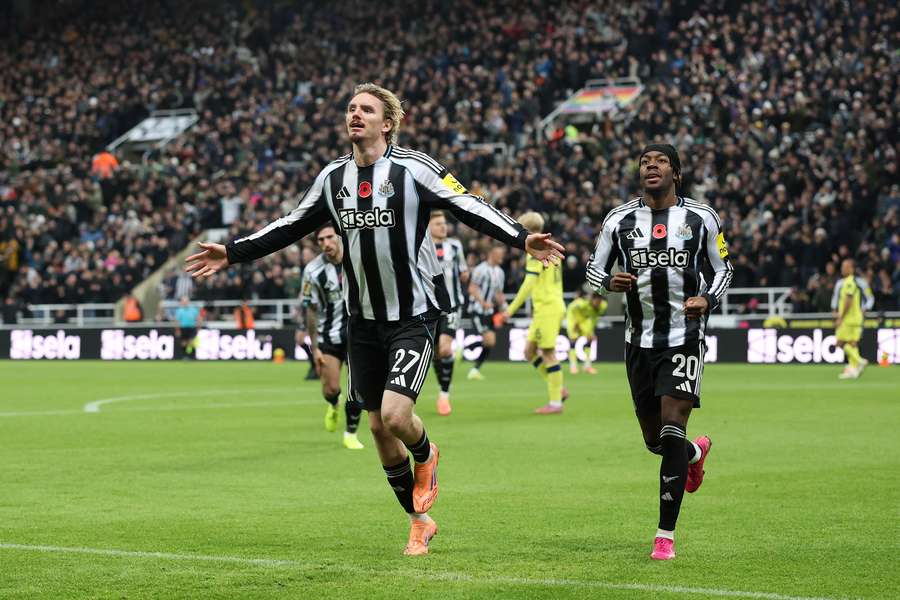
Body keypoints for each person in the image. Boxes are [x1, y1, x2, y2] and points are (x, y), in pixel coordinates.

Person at [185, 82, 563, 556]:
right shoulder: (332, 179)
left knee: (395, 414)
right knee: (380, 430)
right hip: (361, 321)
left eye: (366, 109)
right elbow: (290, 224)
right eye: (350, 108)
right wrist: (234, 252)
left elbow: (468, 203)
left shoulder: (415, 169)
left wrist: (518, 238)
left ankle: (427, 453)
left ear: (388, 124)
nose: (355, 114)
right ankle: (419, 521)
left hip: (412, 315)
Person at [585, 144, 733, 560]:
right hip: (638, 341)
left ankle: (664, 535)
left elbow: (723, 269)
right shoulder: (619, 219)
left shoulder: (702, 218)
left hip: (684, 337)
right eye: (645, 161)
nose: (651, 166)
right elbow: (593, 270)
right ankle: (694, 454)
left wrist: (708, 299)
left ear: (677, 173)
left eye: (661, 161)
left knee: (672, 426)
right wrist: (608, 282)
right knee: (656, 441)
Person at [301, 223, 365, 449]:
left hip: (359, 334)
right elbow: (310, 309)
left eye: (330, 237)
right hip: (329, 337)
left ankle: (350, 433)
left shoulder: (358, 257)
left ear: (339, 236)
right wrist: (315, 347)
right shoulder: (313, 271)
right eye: (321, 240)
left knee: (356, 385)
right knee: (330, 389)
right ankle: (333, 403)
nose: (326, 243)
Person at [501, 212, 568, 414]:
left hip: (547, 308)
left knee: (548, 353)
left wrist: (509, 310)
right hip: (549, 306)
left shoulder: (535, 248)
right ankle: (557, 387)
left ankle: (555, 402)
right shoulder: (549, 245)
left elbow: (528, 284)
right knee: (529, 352)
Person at [428, 210, 468, 416]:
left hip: (452, 306)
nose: (443, 227)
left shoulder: (455, 246)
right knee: (435, 352)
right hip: (429, 307)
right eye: (438, 224)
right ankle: (443, 385)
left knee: (444, 349)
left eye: (444, 223)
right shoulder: (421, 246)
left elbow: (463, 272)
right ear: (428, 228)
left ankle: (444, 394)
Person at [465, 244, 507, 380]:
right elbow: (472, 288)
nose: (502, 256)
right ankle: (473, 367)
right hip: (478, 309)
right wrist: (482, 302)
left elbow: (499, 293)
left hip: (489, 312)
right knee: (489, 339)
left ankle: (470, 359)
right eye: (499, 253)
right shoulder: (480, 269)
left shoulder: (500, 272)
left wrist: (506, 309)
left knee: (491, 342)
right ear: (491, 254)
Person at [831, 258, 874, 379]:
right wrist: (834, 310)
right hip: (853, 318)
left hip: (849, 318)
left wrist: (865, 309)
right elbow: (836, 298)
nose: (842, 268)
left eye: (845, 266)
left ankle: (859, 361)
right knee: (852, 344)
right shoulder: (840, 283)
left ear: (852, 268)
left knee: (840, 343)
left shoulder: (857, 282)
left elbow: (868, 297)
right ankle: (852, 369)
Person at [566, 290, 608, 375]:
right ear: (592, 299)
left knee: (590, 339)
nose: (598, 303)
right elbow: (573, 309)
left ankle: (587, 366)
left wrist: (590, 331)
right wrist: (576, 324)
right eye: (596, 301)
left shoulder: (603, 305)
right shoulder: (582, 304)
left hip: (585, 320)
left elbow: (593, 317)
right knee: (573, 340)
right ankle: (573, 366)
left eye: (600, 301)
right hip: (574, 318)